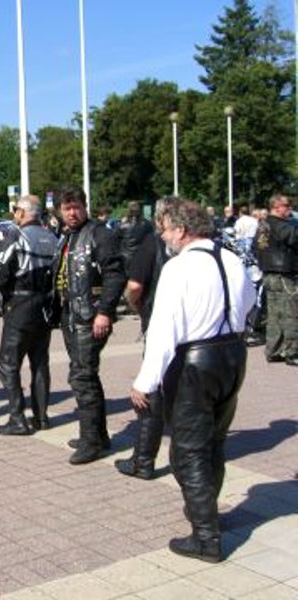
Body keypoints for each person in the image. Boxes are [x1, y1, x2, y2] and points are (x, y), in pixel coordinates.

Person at [130, 198, 255, 562]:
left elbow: (163, 330)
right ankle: (207, 513)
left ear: (181, 229)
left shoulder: (179, 267)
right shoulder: (230, 258)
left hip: (196, 362)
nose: (164, 236)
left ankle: (206, 536)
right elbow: (249, 303)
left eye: (165, 229)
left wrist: (145, 381)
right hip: (232, 354)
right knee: (214, 440)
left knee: (187, 451)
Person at [51, 186, 126, 464]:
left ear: (85, 207)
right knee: (86, 375)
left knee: (82, 377)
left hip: (89, 316)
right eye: (67, 208)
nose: (72, 213)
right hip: (71, 315)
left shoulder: (100, 234)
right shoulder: (67, 236)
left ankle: (91, 441)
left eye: (76, 207)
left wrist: (105, 311)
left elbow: (115, 275)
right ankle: (97, 435)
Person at [0, 195, 58, 435]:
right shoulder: (52, 236)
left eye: (16, 210)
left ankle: (17, 418)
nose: (14, 214)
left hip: (20, 305)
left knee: (8, 364)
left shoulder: (17, 235)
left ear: (25, 213)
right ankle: (42, 417)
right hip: (45, 307)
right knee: (40, 363)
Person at [114, 199, 170, 479]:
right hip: (201, 338)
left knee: (150, 391)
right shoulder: (208, 249)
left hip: (160, 325)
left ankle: (143, 460)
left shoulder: (153, 243)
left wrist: (140, 308)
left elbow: (134, 287)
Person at [254, 194, 298, 366]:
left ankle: (273, 350)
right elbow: (293, 237)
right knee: (291, 314)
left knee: (274, 314)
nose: (290, 208)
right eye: (286, 205)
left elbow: (255, 247)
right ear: (276, 207)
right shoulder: (279, 225)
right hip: (283, 275)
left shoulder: (263, 225)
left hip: (270, 273)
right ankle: (292, 351)